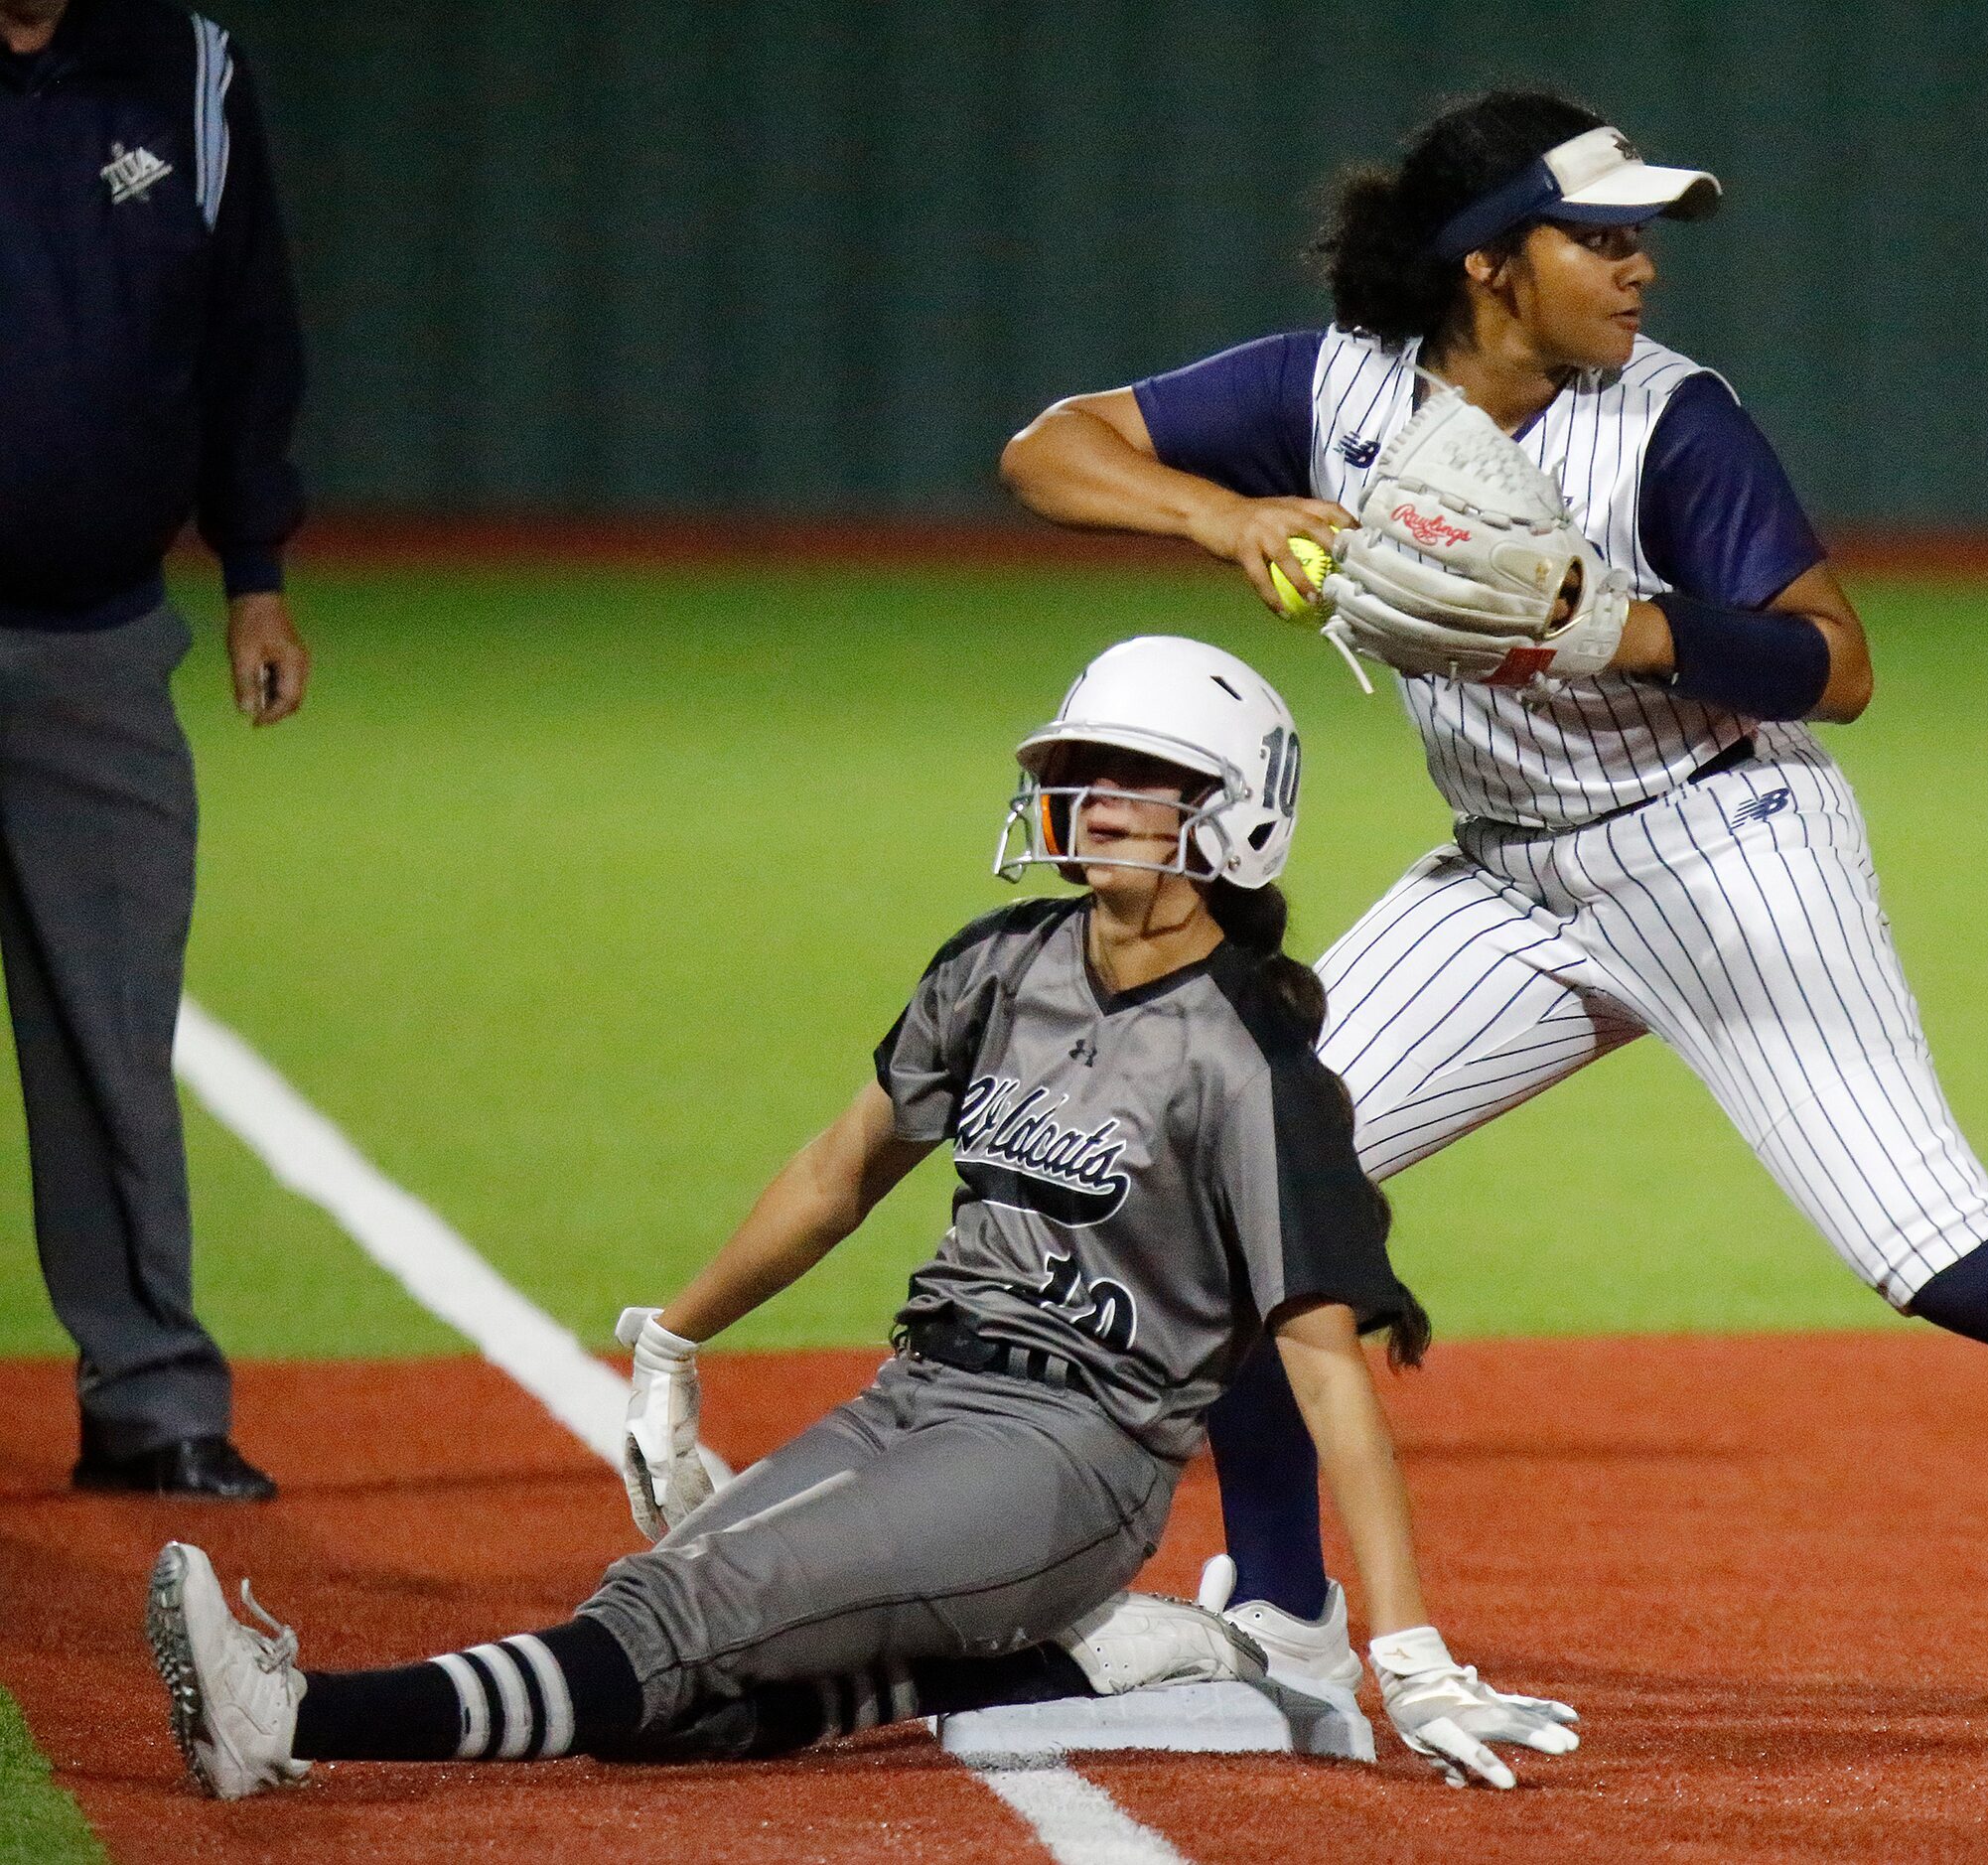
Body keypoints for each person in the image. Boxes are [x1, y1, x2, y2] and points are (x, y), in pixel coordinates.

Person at [997, 90, 1988, 1700]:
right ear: (1488, 264)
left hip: (1725, 841)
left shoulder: (1665, 420)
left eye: (1643, 235)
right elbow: (1050, 449)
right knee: (1232, 1187)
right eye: (1600, 236)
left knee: (1937, 1250)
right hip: (1504, 875)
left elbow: (1836, 665)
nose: (1638, 268)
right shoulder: (1331, 386)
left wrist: (1633, 634)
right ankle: (1286, 1612)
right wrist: (1226, 515)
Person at [147, 637, 1581, 1800]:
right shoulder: (1001, 964)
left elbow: (1327, 1365)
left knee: (674, 1619)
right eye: (1077, 770)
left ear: (1235, 813)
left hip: (1070, 1457)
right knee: (674, 1693)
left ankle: (291, 1711)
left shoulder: (1248, 1057)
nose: (1086, 799)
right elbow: (840, 1172)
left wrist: (1407, 1650)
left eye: (1133, 778)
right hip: (920, 1392)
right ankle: (1103, 1658)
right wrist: (675, 1339)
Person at [1, 0, 310, 1500]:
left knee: (113, 1034)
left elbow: (249, 328)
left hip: (96, 637)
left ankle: (146, 1397)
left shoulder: (185, 70)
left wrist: (255, 564)